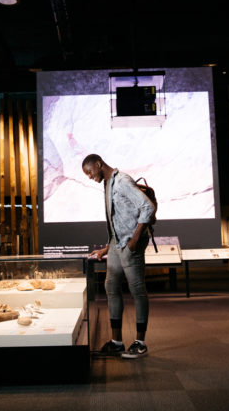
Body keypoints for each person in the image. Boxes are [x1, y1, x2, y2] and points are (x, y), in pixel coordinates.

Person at [83, 153, 156, 359]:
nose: (89, 176)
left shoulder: (122, 181)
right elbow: (118, 220)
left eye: (89, 172)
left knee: (137, 290)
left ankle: (140, 343)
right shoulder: (107, 184)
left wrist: (134, 240)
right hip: (116, 243)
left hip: (130, 244)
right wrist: (108, 248)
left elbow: (147, 208)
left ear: (98, 164)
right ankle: (116, 342)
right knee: (111, 287)